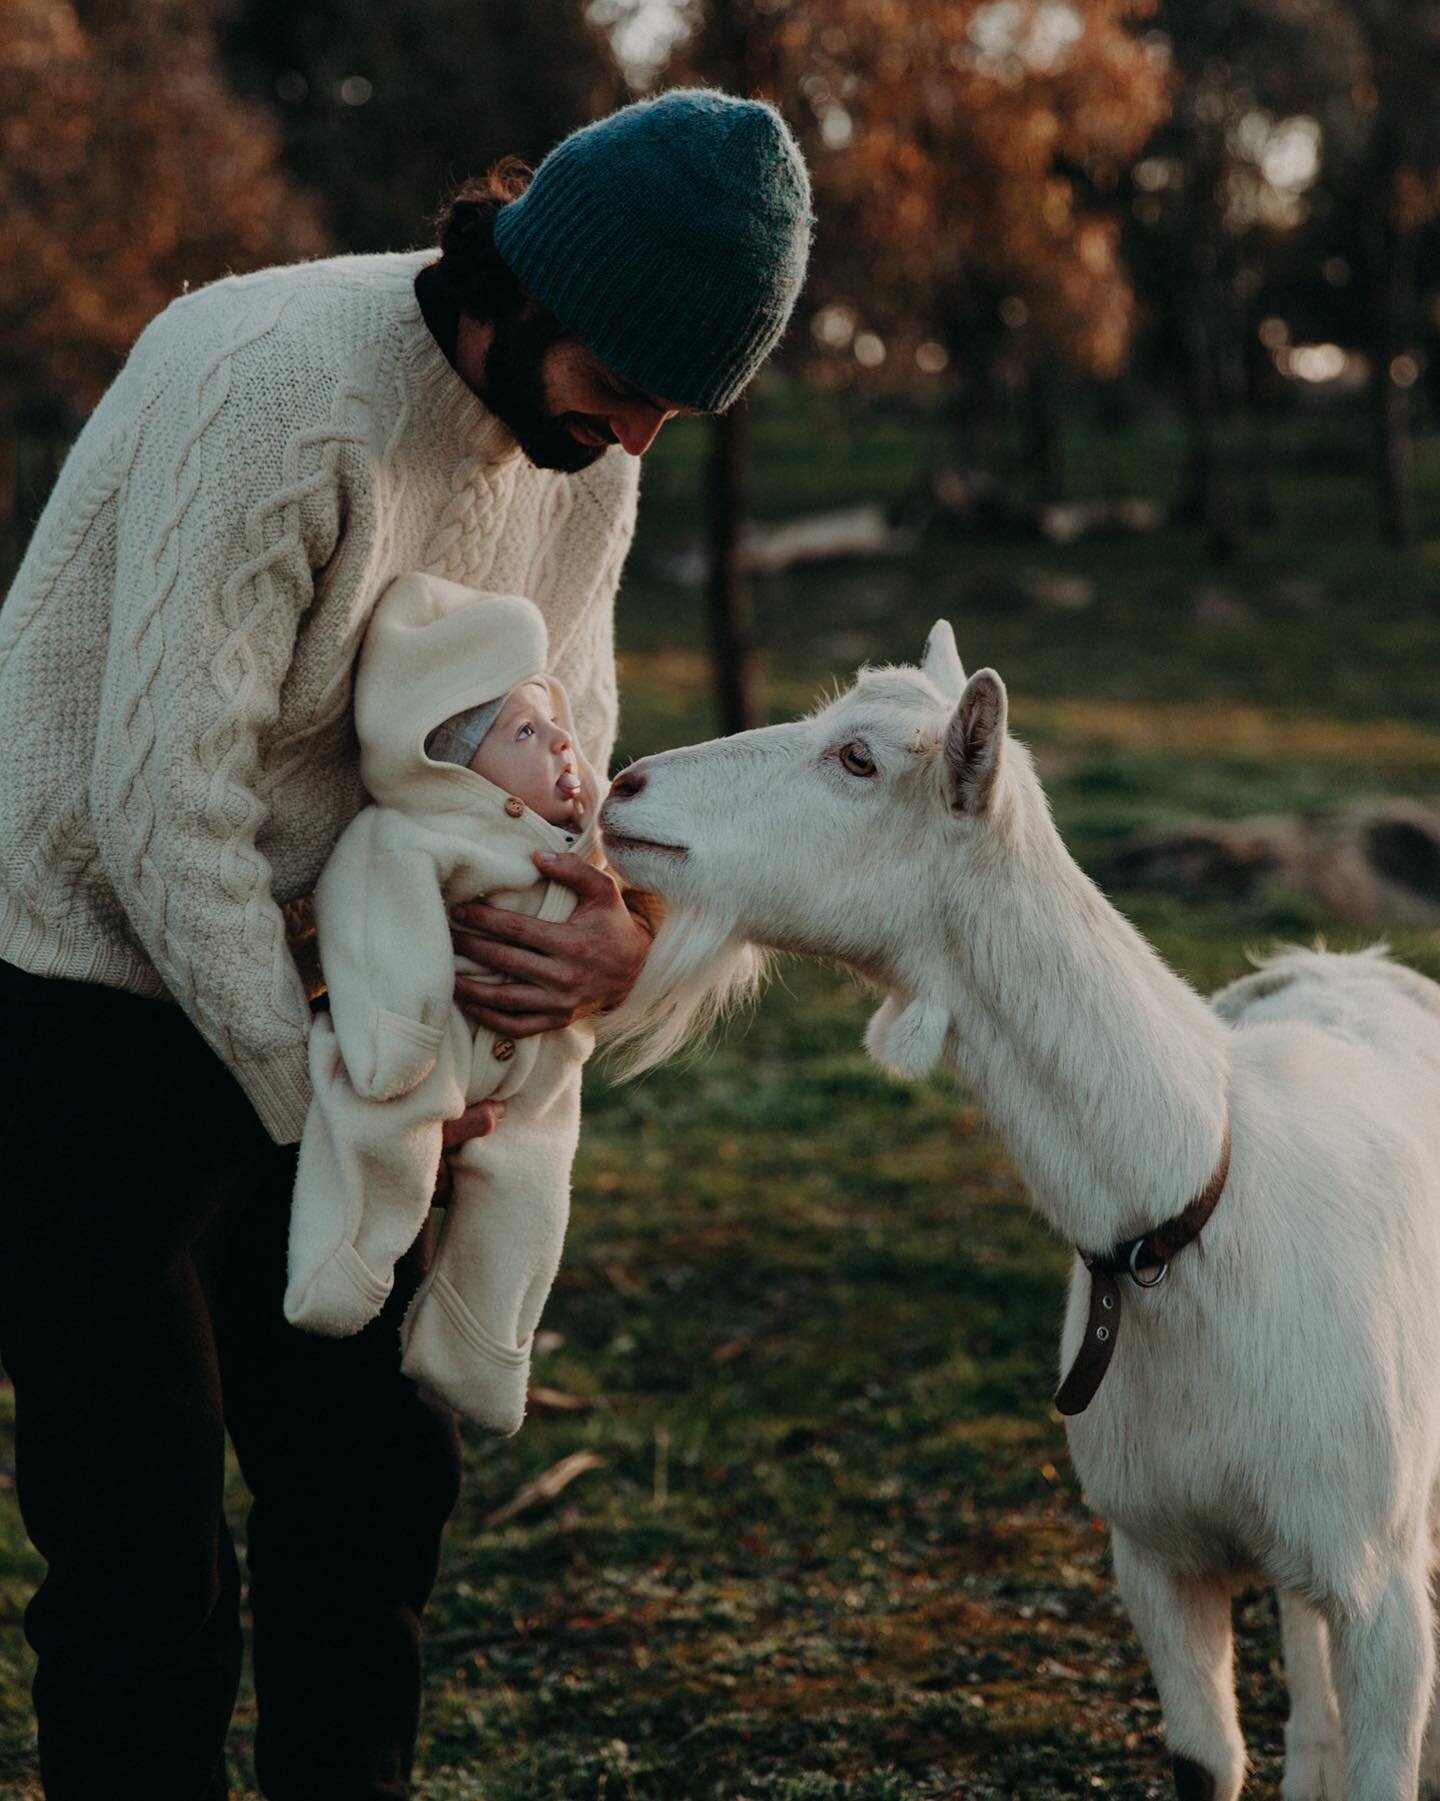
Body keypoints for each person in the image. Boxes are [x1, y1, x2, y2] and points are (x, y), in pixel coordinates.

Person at [0, 86, 810, 1801]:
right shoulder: (279, 391)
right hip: (85, 982)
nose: (640, 441)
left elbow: (558, 743)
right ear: (525, 282)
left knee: (368, 1498)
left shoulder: (578, 465)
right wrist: (352, 1098)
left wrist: (609, 936)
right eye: (625, 387)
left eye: (676, 409)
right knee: (142, 1545)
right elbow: (163, 808)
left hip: (359, 990)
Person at [283, 573, 607, 1440]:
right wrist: (401, 1029)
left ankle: (483, 1347)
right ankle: (344, 1257)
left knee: (530, 1195)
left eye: (556, 726)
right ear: (444, 757)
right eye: (527, 732)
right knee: (382, 1129)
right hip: (426, 1047)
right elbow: (373, 918)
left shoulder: (571, 841)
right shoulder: (412, 831)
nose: (564, 748)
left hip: (537, 1079)